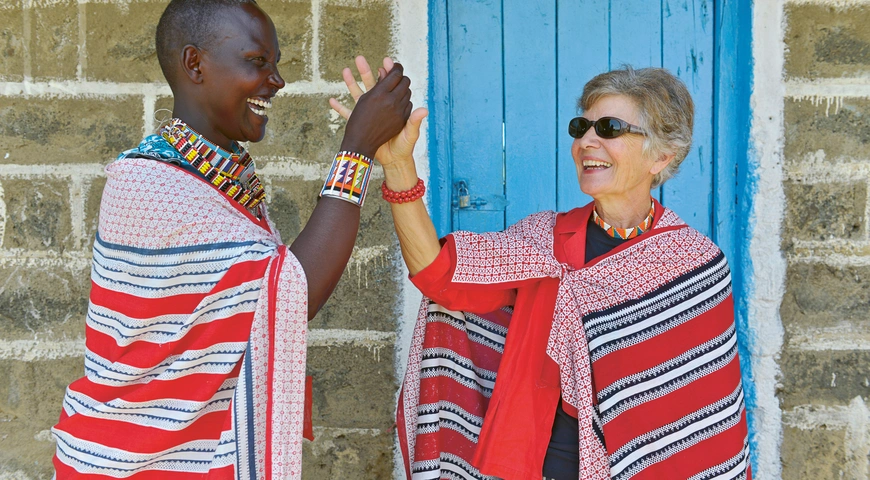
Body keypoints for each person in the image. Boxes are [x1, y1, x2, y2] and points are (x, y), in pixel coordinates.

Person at [332, 61, 751, 479]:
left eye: (608, 129)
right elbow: (440, 275)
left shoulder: (692, 264)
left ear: (661, 156)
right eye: (580, 128)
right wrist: (399, 166)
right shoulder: (543, 241)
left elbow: (702, 425)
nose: (587, 141)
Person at [50, 1, 412, 478]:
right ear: (195, 64)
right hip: (134, 461)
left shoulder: (216, 178)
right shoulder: (148, 185)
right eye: (257, 62)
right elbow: (286, 294)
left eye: (276, 63)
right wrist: (357, 149)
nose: (277, 80)